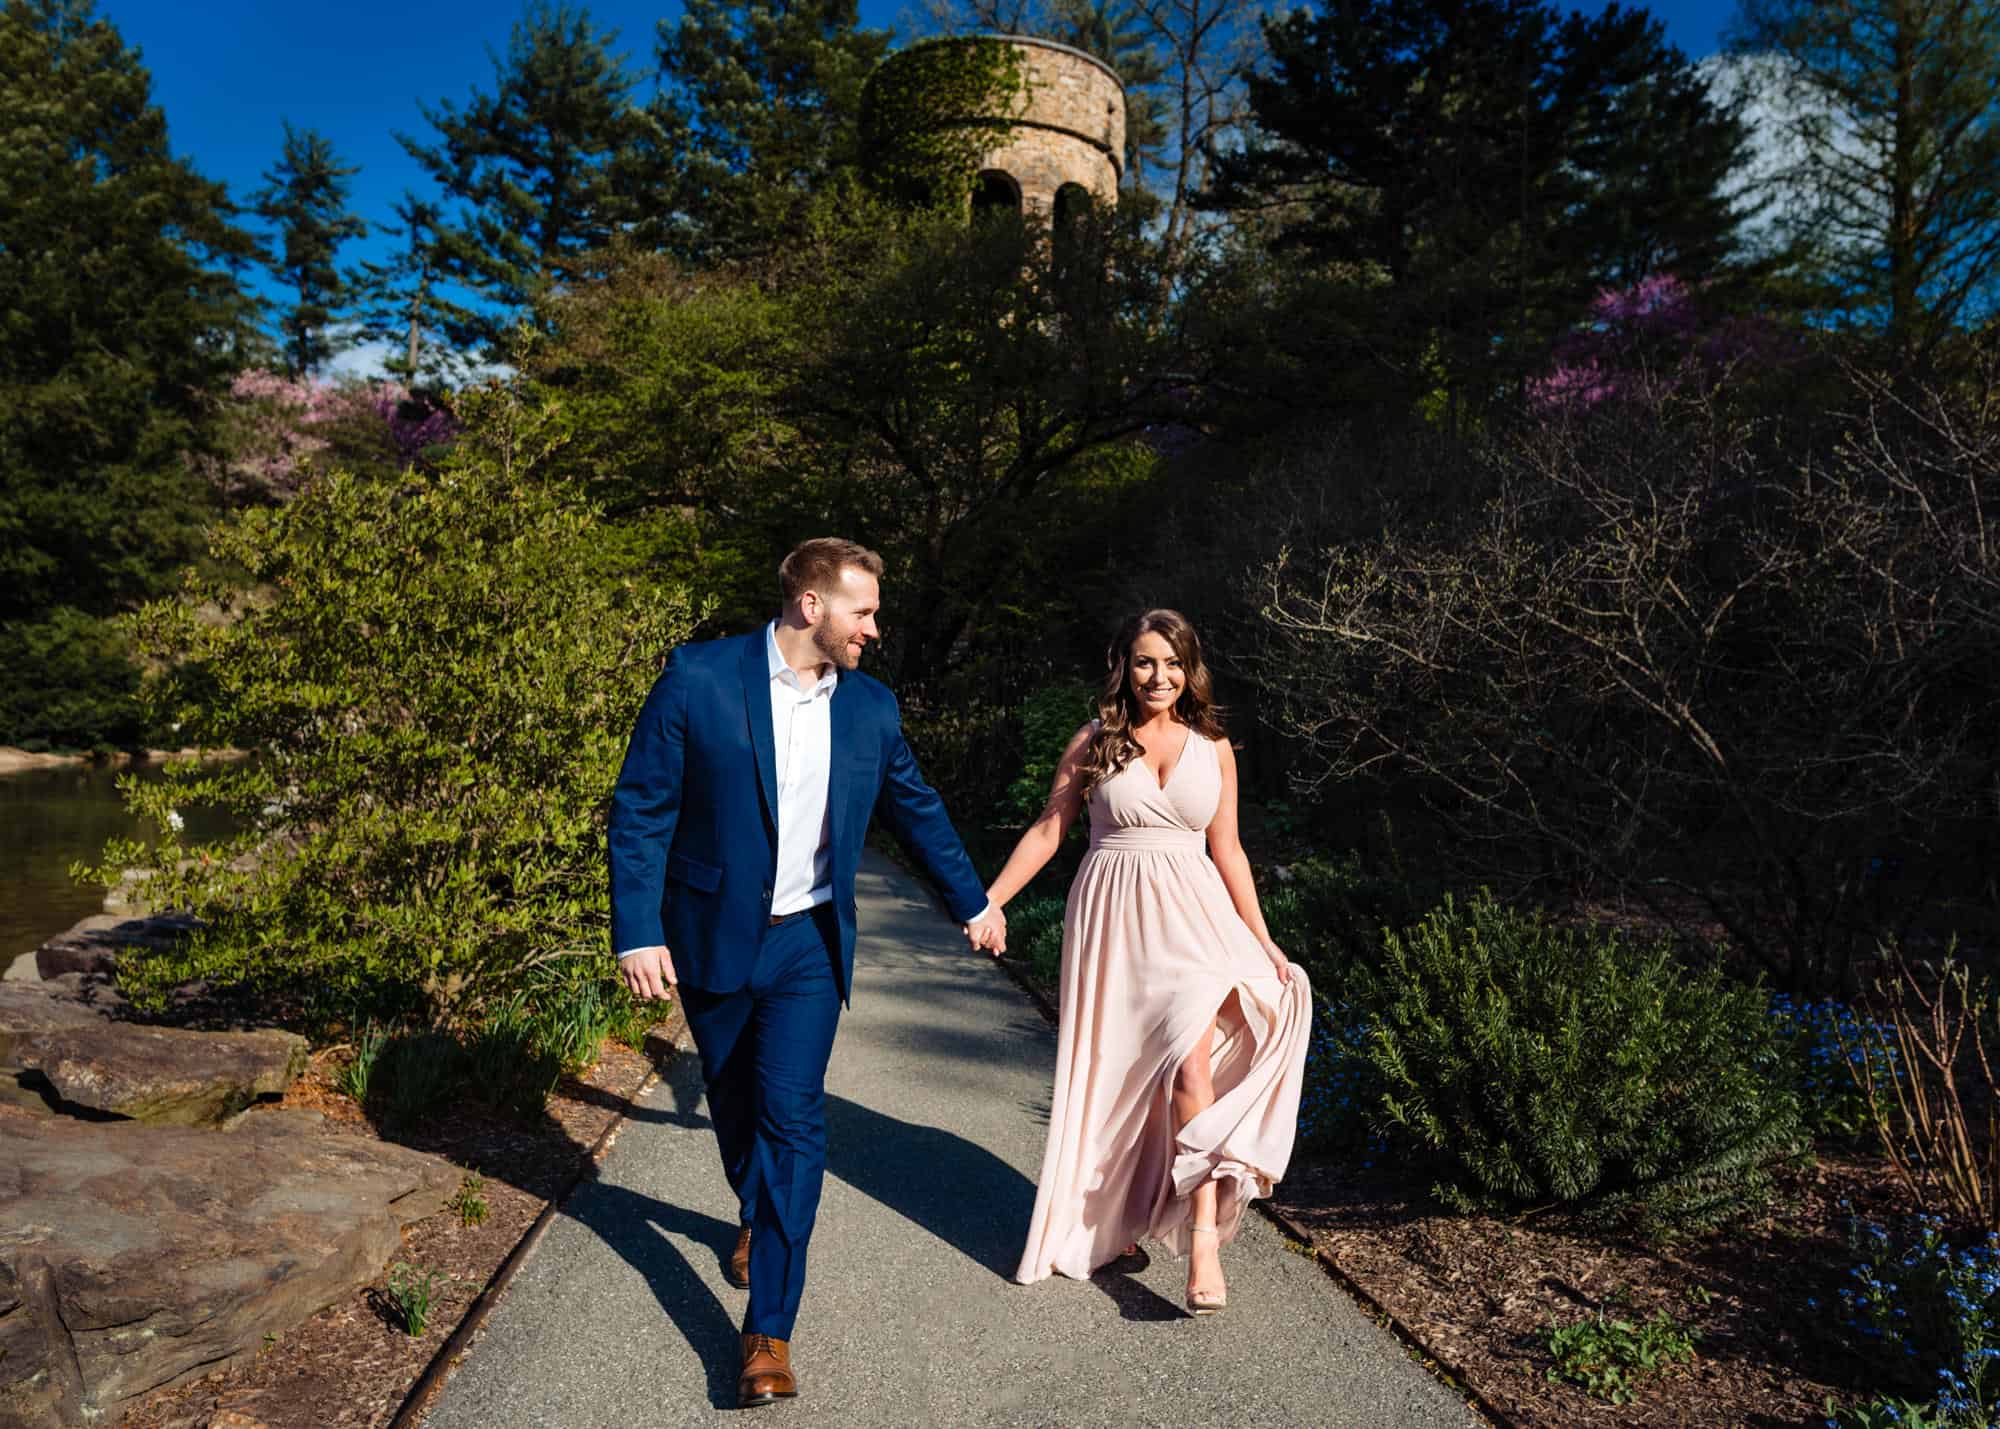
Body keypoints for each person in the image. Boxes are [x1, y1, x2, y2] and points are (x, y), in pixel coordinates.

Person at [609, 537, 1006, 1408]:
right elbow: (641, 805)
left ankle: (768, 1332)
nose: (876, 626)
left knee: (794, 1117)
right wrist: (637, 928)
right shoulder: (698, 679)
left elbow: (918, 806)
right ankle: (754, 1208)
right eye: (863, 610)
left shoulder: (869, 708)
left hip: (808, 946)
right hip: (712, 932)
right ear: (812, 605)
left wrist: (974, 901)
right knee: (736, 1099)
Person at [982, 609, 1311, 1312]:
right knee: (1123, 1076)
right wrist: (992, 901)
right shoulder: (1095, 742)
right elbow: (1049, 830)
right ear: (1123, 667)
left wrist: (1264, 937)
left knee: (1192, 1063)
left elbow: (1229, 850)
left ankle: (1200, 1236)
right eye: (1143, 662)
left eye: (1171, 662)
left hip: (1196, 921)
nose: (1158, 677)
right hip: (1116, 924)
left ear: (1190, 668)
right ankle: (1120, 1216)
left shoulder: (1214, 746)